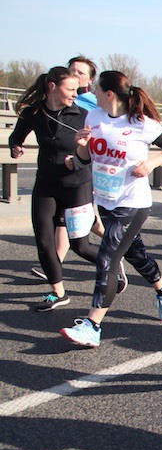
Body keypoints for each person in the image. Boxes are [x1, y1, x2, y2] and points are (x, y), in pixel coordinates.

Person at [60, 70, 162, 347]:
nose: (92, 92)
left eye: (96, 88)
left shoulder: (142, 124)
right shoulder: (94, 117)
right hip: (105, 199)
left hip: (132, 202)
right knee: (134, 252)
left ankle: (92, 325)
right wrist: (81, 148)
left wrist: (151, 164)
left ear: (109, 94)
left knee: (108, 258)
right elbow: (86, 158)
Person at [9, 67, 101, 311]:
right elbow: (16, 137)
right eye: (70, 89)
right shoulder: (33, 113)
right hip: (46, 184)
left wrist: (79, 159)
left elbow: (96, 152)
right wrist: (15, 147)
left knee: (80, 245)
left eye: (76, 89)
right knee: (44, 241)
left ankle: (111, 265)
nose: (75, 94)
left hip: (77, 185)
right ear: (52, 87)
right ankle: (58, 292)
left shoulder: (83, 115)